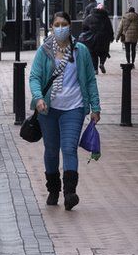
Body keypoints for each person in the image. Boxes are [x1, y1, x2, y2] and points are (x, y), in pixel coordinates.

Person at [28, 11, 101, 211]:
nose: (60, 28)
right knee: (51, 151)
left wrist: (95, 107)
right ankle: (53, 189)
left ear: (70, 26)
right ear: (51, 27)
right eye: (57, 24)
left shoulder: (81, 51)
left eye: (64, 24)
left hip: (74, 108)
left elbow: (89, 80)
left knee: (69, 148)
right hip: (48, 109)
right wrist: (38, 97)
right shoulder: (44, 52)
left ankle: (70, 193)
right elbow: (34, 77)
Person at [81, 4, 114, 73]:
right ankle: (102, 63)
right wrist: (111, 37)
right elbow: (109, 28)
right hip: (104, 38)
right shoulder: (106, 18)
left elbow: (84, 26)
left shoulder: (90, 17)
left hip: (93, 38)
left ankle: (95, 69)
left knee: (93, 54)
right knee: (104, 52)